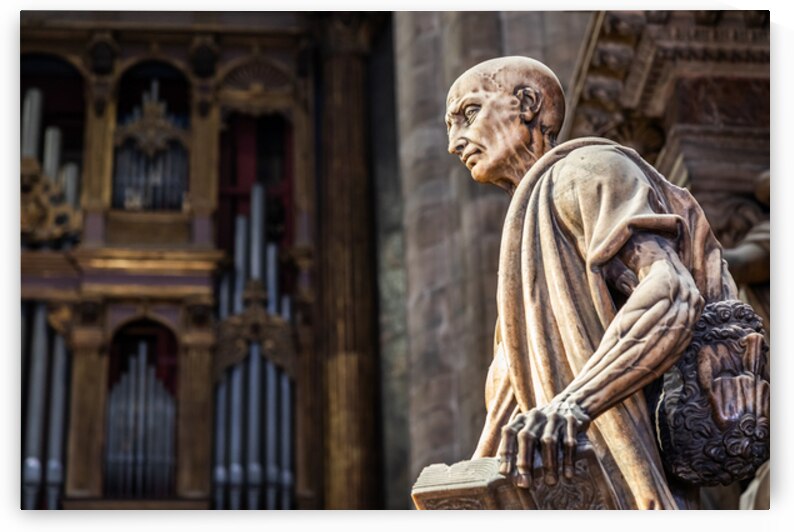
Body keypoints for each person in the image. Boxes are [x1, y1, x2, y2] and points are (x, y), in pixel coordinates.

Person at [445, 56, 750, 509]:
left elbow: (671, 293)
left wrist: (575, 403)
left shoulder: (585, 171)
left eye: (468, 115)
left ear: (527, 104)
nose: (455, 142)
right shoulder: (527, 242)